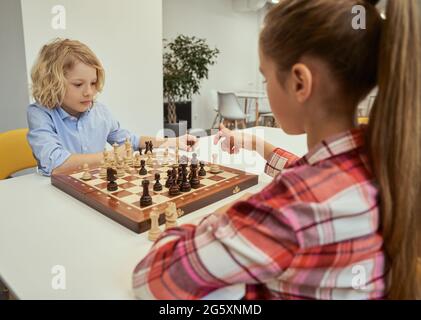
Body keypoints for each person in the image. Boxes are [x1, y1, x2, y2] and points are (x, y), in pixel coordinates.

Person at [133, 0, 420, 299]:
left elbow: (151, 277)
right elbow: (320, 176)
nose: (266, 85)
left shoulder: (290, 208)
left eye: (266, 76)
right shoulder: (379, 157)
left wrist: (227, 214)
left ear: (299, 83)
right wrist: (259, 146)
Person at [27, 38, 196, 176]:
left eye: (93, 83)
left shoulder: (99, 111)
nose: (89, 92)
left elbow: (132, 141)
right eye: (78, 84)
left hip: (95, 186)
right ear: (52, 84)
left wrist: (171, 141)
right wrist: (114, 156)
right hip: (57, 193)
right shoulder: (40, 114)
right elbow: (57, 165)